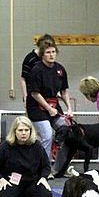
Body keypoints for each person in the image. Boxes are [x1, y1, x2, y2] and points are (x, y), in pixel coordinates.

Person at [26, 40, 73, 178]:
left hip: (53, 105)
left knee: (67, 133)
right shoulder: (36, 70)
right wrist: (48, 108)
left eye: (53, 52)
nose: (51, 55)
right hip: (37, 107)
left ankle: (58, 168)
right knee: (47, 135)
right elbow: (35, 93)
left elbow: (64, 91)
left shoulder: (60, 69)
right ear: (42, 55)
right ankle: (44, 169)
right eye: (48, 52)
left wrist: (69, 108)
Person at [0, 116, 53, 197]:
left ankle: (23, 196)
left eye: (26, 130)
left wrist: (43, 178)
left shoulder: (37, 145)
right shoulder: (5, 146)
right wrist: (1, 180)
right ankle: (20, 196)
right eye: (20, 130)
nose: (24, 133)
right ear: (14, 131)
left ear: (30, 131)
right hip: (11, 182)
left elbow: (46, 166)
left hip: (32, 182)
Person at [20, 34, 56, 104]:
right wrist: (25, 96)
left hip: (47, 97)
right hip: (33, 96)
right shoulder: (30, 59)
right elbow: (23, 79)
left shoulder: (48, 58)